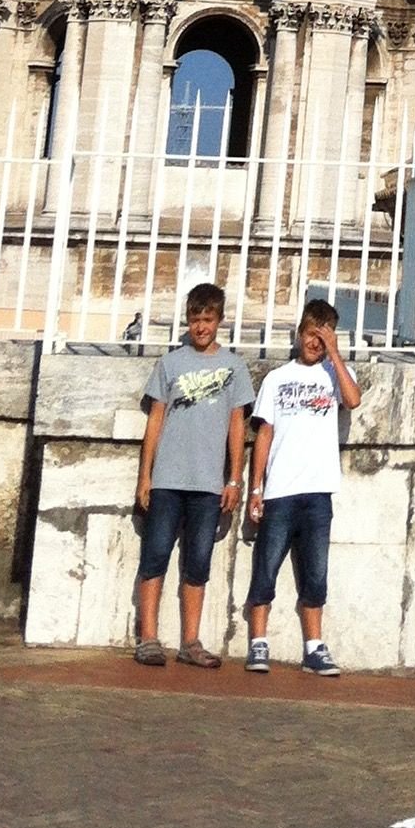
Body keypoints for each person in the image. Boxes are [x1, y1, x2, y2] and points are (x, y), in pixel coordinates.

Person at [133, 281, 253, 668]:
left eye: (209, 319)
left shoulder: (234, 367)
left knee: (198, 563)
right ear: (187, 321)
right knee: (155, 557)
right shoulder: (170, 364)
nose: (202, 327)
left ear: (219, 321)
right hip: (168, 480)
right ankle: (148, 638)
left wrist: (234, 479)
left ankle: (190, 642)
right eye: (196, 319)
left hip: (207, 484)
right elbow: (155, 422)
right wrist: (145, 476)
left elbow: (238, 427)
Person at [244, 297, 361, 676]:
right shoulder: (277, 379)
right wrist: (255, 488)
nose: (315, 343)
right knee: (266, 568)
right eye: (311, 334)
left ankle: (314, 646)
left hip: (318, 490)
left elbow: (353, 400)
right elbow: (264, 433)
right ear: (299, 333)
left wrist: (335, 356)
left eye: (322, 336)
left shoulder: (333, 373)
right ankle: (258, 643)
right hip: (280, 491)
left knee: (316, 574)